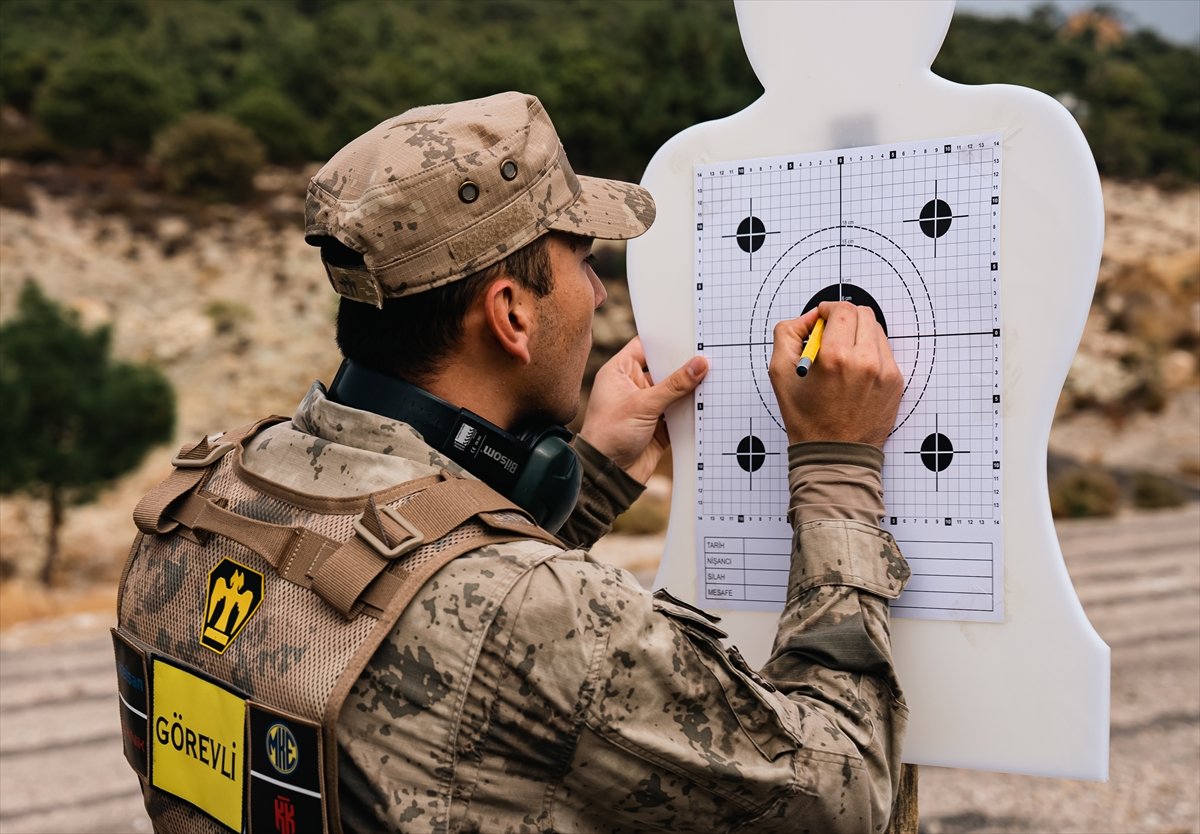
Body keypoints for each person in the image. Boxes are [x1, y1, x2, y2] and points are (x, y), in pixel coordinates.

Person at [115, 91, 909, 834]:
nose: (597, 293)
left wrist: (588, 480)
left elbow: (436, 655)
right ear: (511, 314)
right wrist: (837, 461)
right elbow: (843, 789)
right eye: (582, 259)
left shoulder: (196, 501)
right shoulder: (541, 612)